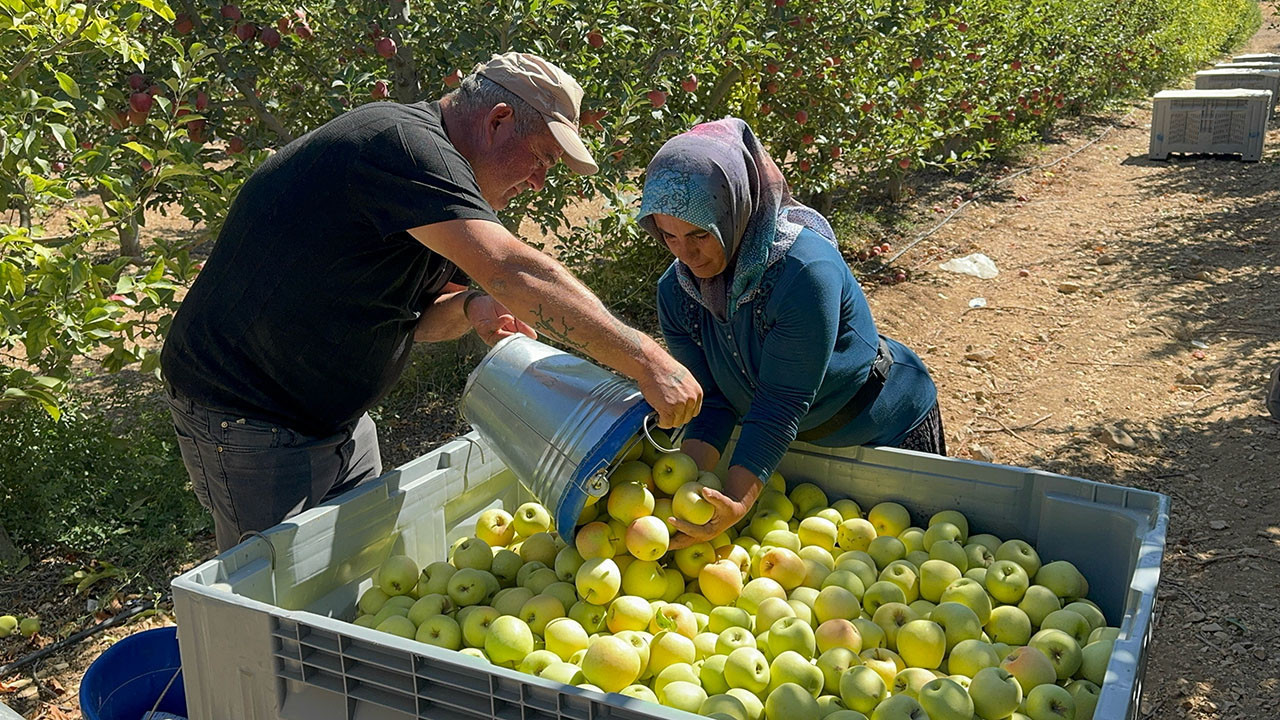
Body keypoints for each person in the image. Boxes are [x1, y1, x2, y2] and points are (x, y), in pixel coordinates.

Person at [160, 52, 702, 551]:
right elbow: (515, 272)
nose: (538, 182)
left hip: (336, 419)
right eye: (540, 159)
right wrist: (647, 360)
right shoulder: (400, 145)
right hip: (251, 418)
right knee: (277, 615)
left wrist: (469, 308)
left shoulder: (434, 195)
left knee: (359, 573)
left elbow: (410, 320)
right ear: (497, 121)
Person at [636, 118, 943, 549]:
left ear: (736, 210)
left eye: (700, 234)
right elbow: (713, 400)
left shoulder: (802, 271)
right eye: (668, 236)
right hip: (789, 447)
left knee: (913, 551)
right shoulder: (679, 292)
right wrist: (680, 496)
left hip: (879, 430)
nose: (685, 254)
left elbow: (780, 403)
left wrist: (737, 502)